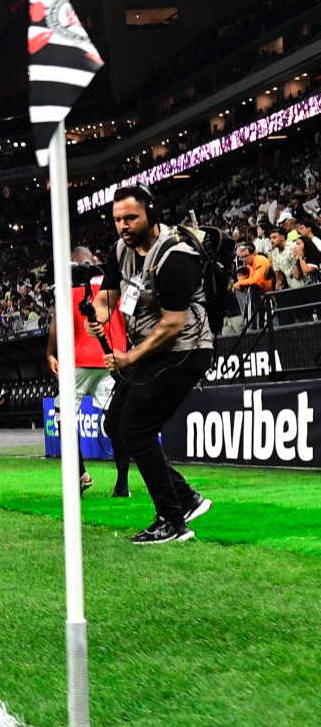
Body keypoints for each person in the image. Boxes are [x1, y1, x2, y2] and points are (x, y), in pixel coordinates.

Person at [89, 185, 215, 544]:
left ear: (150, 213)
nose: (123, 226)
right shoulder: (120, 250)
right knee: (116, 424)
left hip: (185, 351)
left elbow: (173, 324)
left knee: (137, 429)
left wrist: (128, 357)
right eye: (117, 220)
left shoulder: (176, 255)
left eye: (131, 217)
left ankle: (172, 521)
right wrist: (95, 314)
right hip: (151, 350)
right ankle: (186, 498)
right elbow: (108, 297)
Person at [47, 247, 132, 497]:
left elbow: (56, 326)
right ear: (94, 261)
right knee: (115, 421)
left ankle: (81, 474)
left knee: (64, 417)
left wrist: (50, 354)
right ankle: (122, 483)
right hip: (112, 357)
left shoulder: (66, 286)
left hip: (79, 360)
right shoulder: (113, 280)